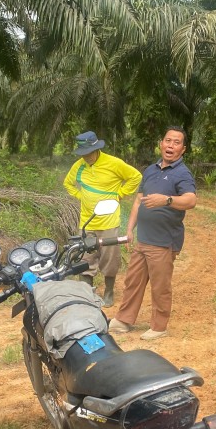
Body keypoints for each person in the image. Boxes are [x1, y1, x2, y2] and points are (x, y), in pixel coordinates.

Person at [108, 126, 196, 340]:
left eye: (176, 142)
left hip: (164, 241)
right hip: (143, 238)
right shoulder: (150, 170)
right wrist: (130, 229)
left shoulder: (182, 173)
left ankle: (159, 326)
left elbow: (191, 200)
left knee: (160, 286)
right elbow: (138, 201)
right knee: (133, 281)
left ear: (183, 149)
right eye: (168, 140)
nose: (171, 145)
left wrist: (167, 200)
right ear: (161, 144)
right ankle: (124, 320)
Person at [63, 131, 142, 306]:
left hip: (109, 221)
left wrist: (120, 194)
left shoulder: (114, 163)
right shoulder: (79, 166)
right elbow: (67, 183)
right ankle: (87, 294)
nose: (86, 157)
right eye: (83, 154)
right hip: (87, 221)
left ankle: (109, 291)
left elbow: (136, 177)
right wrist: (80, 196)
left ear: (97, 149)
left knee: (110, 257)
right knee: (84, 256)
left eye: (88, 153)